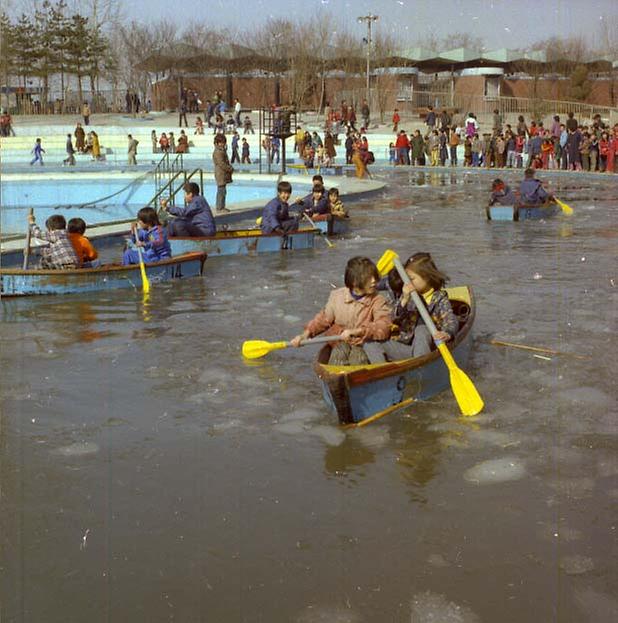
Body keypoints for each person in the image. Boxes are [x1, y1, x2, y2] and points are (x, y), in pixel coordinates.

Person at [290, 256, 392, 365]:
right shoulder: (337, 296)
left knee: (358, 359)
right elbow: (323, 319)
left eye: (374, 276)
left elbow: (384, 326)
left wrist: (358, 331)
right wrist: (305, 335)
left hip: (363, 344)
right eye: (368, 277)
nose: (373, 281)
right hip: (339, 341)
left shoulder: (378, 300)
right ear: (354, 282)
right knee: (338, 356)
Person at [363, 253, 458, 362]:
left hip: (427, 350)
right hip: (405, 348)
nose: (407, 282)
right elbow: (392, 318)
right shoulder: (406, 295)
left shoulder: (439, 298)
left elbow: (450, 320)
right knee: (369, 342)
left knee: (422, 329)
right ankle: (381, 372)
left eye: (411, 279)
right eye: (406, 278)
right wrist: (404, 300)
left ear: (427, 277)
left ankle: (421, 368)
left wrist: (447, 333)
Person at [213, 134, 233, 213]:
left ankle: (221, 206)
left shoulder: (221, 151)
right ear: (217, 143)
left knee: (223, 190)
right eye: (221, 142)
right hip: (221, 173)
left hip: (222, 173)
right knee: (221, 191)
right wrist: (229, 168)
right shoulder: (218, 152)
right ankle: (220, 207)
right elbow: (221, 163)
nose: (223, 144)